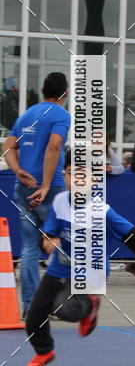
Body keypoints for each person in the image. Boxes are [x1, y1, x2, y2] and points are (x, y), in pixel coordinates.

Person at [24, 152, 135, 366]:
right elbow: (50, 231)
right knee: (33, 318)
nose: (77, 180)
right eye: (72, 174)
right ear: (65, 176)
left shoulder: (102, 212)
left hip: (91, 272)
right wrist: (48, 239)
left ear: (95, 179)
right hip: (60, 267)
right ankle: (44, 352)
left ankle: (90, 304)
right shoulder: (61, 201)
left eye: (84, 175)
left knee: (66, 310)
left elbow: (133, 237)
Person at [3, 72, 70, 318]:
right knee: (62, 242)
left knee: (30, 248)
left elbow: (8, 146)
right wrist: (46, 184)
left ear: (42, 90)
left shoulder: (28, 115)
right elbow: (54, 146)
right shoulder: (61, 115)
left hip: (24, 187)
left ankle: (31, 305)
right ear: (65, 94)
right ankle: (53, 302)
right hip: (50, 188)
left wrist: (18, 170)